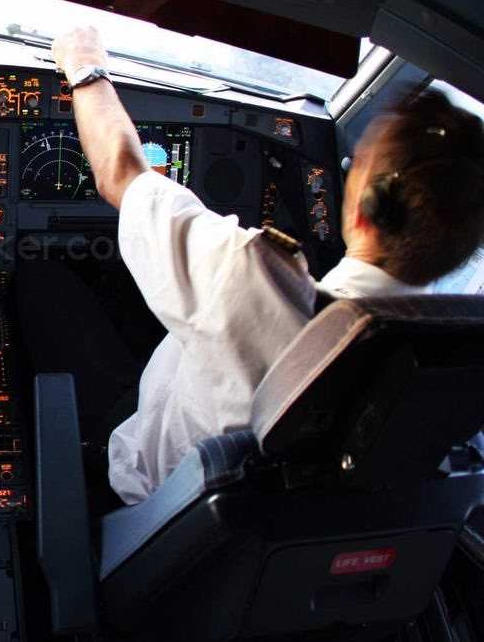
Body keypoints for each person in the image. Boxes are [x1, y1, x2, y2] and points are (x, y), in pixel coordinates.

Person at [26, 26, 484, 506]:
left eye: (358, 165)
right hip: (250, 524)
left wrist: (84, 64)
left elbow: (118, 172)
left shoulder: (249, 276)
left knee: (40, 279)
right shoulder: (448, 362)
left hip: (139, 498)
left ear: (366, 210)